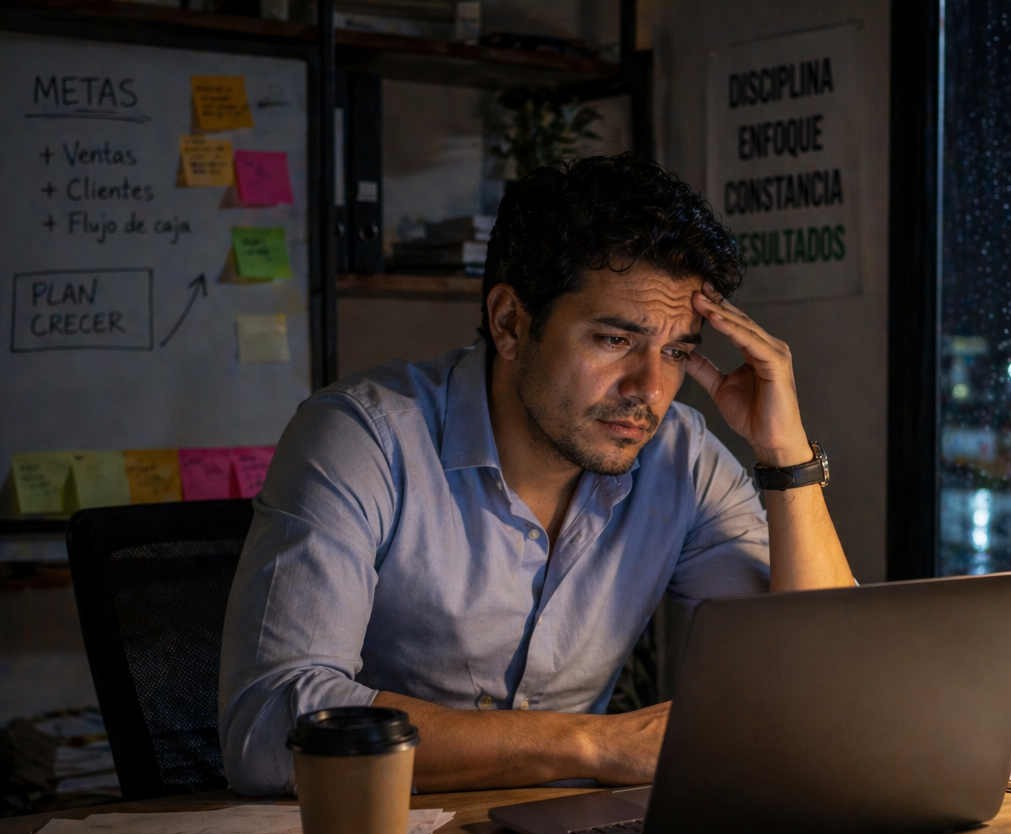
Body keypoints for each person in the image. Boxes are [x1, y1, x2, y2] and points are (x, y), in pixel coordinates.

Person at [219, 155, 856, 796]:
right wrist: (591, 745)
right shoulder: (364, 437)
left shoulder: (681, 459)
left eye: (677, 352)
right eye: (614, 340)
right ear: (510, 323)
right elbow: (271, 722)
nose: (650, 390)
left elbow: (826, 684)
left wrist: (787, 455)